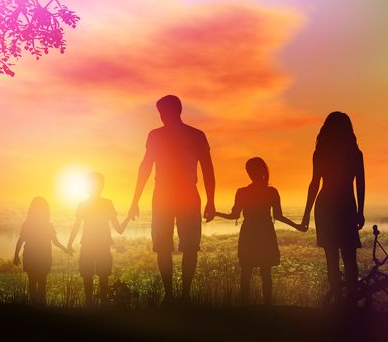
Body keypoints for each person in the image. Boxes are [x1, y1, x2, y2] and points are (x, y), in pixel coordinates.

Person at [126, 95, 215, 305]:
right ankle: (174, 295)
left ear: (174, 111)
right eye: (160, 112)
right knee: (167, 246)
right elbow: (145, 167)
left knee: (185, 246)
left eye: (163, 112)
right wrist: (134, 200)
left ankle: (181, 295)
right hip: (172, 195)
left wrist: (211, 201)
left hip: (176, 195)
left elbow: (208, 170)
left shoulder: (188, 135)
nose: (162, 116)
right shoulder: (183, 135)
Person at [215, 157, 305, 305]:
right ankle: (267, 307)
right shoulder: (271, 191)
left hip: (249, 233)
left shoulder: (242, 192)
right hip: (265, 232)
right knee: (265, 272)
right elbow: (278, 216)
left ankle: (246, 308)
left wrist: (216, 213)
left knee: (247, 272)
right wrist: (297, 226)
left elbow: (234, 215)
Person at [301, 111, 365, 305]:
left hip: (326, 206)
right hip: (346, 205)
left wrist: (306, 216)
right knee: (349, 256)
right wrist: (360, 211)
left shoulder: (321, 152)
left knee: (332, 257)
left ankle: (338, 299)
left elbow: (314, 184)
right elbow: (360, 184)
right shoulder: (354, 153)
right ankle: (351, 301)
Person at [67, 172, 126, 307]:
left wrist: (70, 243)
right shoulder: (107, 203)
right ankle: (102, 302)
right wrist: (128, 217)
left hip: (88, 244)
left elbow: (76, 226)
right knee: (102, 275)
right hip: (102, 244)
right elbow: (120, 229)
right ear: (102, 186)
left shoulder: (83, 204)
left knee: (88, 275)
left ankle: (89, 303)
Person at [13, 197, 68, 306]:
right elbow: (55, 242)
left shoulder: (28, 224)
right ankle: (42, 307)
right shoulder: (47, 225)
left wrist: (16, 255)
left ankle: (34, 307)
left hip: (31, 257)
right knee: (42, 282)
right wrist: (65, 249)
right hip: (44, 258)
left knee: (32, 282)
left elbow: (21, 240)